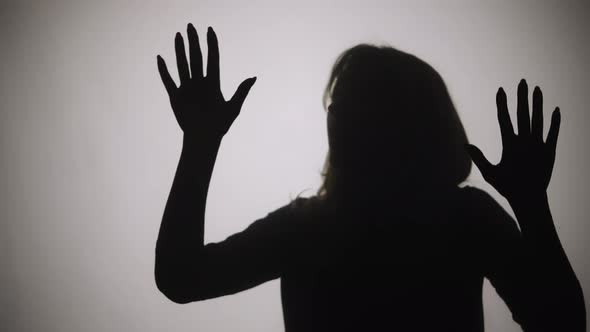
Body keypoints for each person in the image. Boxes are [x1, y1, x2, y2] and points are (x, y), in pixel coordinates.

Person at [154, 23, 586, 331]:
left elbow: (181, 277)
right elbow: (181, 278)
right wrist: (530, 204)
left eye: (356, 104)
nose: (337, 116)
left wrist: (201, 143)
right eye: (336, 105)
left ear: (404, 122)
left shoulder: (310, 229)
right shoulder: (465, 218)